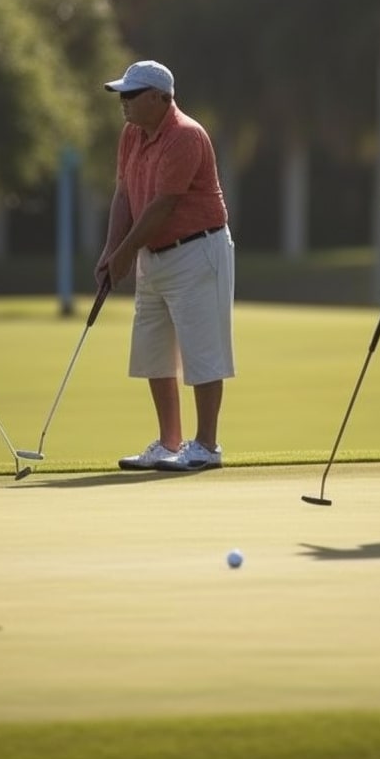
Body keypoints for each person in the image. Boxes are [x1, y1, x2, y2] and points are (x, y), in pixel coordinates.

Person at [95, 60, 235, 473]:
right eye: (122, 94)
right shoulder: (131, 135)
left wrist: (124, 253)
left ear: (159, 97)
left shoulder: (186, 136)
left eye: (131, 95)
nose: (123, 102)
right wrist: (110, 249)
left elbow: (163, 205)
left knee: (202, 350)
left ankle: (206, 445)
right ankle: (170, 442)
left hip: (198, 249)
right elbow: (124, 194)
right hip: (153, 254)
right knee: (154, 351)